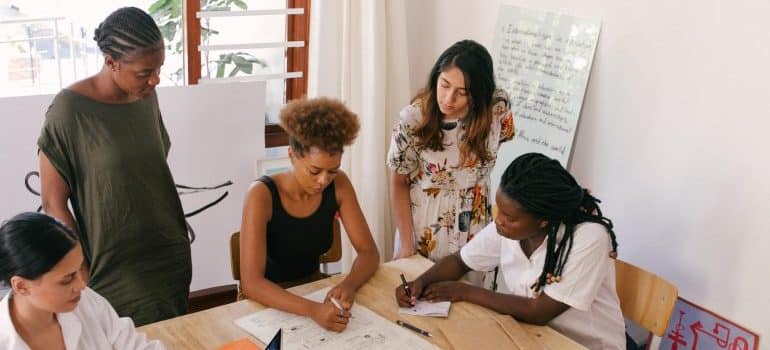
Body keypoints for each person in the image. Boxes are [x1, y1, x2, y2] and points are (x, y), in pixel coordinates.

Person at [37, 7, 191, 326]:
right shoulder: (69, 111)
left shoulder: (145, 95)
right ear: (111, 62)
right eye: (144, 72)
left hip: (168, 251)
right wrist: (79, 267)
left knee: (172, 337)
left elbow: (151, 166)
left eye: (159, 68)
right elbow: (53, 201)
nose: (155, 79)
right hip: (114, 264)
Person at [395, 153, 626, 350]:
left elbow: (539, 311)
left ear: (543, 221)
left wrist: (463, 291)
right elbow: (460, 261)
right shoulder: (509, 228)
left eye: (510, 217)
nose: (499, 220)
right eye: (500, 210)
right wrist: (420, 282)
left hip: (583, 344)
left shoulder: (589, 237)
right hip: (533, 336)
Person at [239, 98, 380, 332]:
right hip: (267, 303)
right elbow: (252, 283)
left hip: (313, 290)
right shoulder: (261, 195)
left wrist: (349, 285)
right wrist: (313, 310)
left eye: (332, 171)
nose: (323, 180)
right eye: (315, 171)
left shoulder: (339, 185)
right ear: (292, 155)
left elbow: (369, 252)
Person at [387, 40, 516, 282]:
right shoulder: (413, 120)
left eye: (462, 92)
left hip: (477, 228)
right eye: (444, 85)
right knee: (421, 301)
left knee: (472, 309)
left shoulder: (497, 108)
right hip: (427, 229)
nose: (448, 98)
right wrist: (407, 245)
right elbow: (398, 182)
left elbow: (501, 140)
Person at [0, 212, 165, 349]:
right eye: (67, 279)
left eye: (79, 269)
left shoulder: (85, 302)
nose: (81, 285)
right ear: (21, 286)